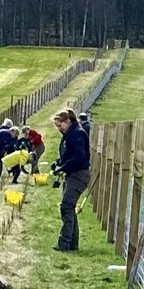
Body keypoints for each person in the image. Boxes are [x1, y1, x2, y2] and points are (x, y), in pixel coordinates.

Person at [51, 107, 92, 252]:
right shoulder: (71, 134)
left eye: (60, 125)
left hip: (78, 174)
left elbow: (79, 157)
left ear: (67, 121)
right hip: (73, 174)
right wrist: (58, 163)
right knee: (70, 207)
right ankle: (72, 244)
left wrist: (63, 167)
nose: (59, 129)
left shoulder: (77, 134)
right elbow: (69, 154)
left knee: (66, 206)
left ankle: (64, 244)